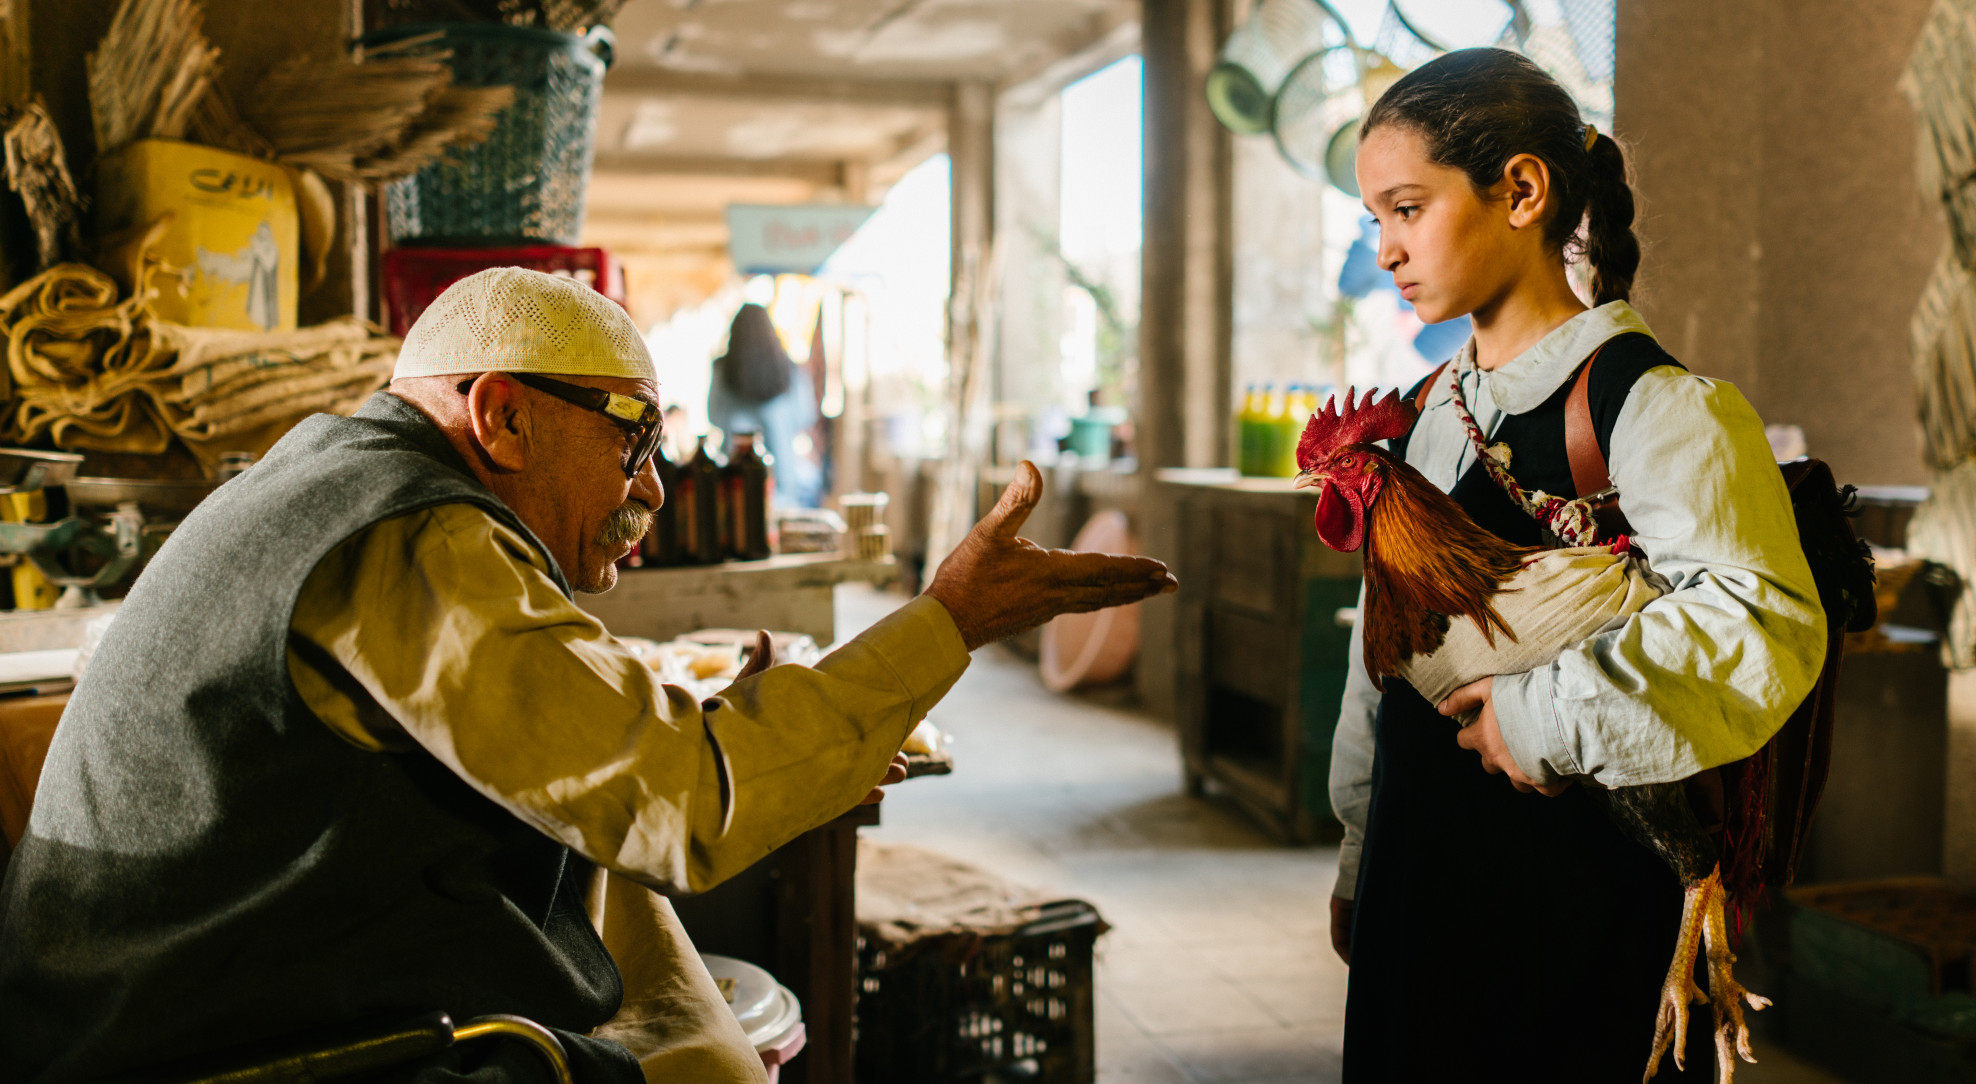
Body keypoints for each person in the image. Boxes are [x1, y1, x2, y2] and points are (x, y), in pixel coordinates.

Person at [0, 268, 1176, 1083]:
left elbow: (584, 732)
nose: (651, 488)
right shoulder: (416, 534)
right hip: (203, 1046)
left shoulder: (329, 472)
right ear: (503, 416)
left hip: (151, 999)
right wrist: (945, 621)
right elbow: (684, 799)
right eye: (631, 439)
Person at [1325, 50, 1825, 1081]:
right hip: (1421, 872)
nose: (1385, 249)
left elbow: (1759, 618)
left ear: (1519, 190)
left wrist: (1540, 715)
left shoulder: (1654, 407)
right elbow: (1374, 669)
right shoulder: (1422, 413)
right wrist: (1357, 850)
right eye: (1374, 218)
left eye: (1407, 208)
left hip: (1582, 892)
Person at [708, 302, 821, 506]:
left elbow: (714, 415)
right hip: (783, 480)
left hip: (734, 478)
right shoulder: (791, 368)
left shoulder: (722, 368)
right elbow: (805, 417)